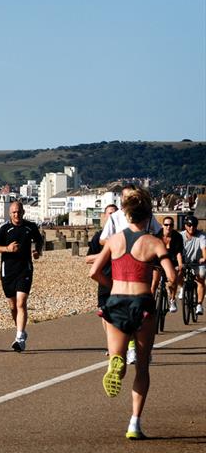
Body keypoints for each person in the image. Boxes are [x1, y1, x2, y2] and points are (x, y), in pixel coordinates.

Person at [89, 187, 175, 440]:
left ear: (127, 216)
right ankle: (134, 424)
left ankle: (115, 364)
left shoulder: (114, 240)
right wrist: (173, 285)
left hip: (116, 302)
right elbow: (170, 274)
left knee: (119, 357)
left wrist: (112, 287)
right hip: (142, 303)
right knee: (143, 365)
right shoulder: (154, 242)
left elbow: (94, 272)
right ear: (148, 216)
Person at [99, 185, 162, 364]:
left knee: (118, 308)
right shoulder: (116, 218)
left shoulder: (147, 219)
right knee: (142, 367)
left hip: (132, 263)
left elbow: (93, 271)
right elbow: (103, 239)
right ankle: (127, 352)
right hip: (123, 262)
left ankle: (119, 354)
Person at [0, 201, 44, 352]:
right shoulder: (4, 228)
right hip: (8, 271)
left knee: (21, 303)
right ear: (9, 214)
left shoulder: (30, 227)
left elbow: (39, 240)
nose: (16, 215)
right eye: (13, 212)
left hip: (25, 269)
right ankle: (21, 330)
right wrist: (7, 248)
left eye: (19, 212)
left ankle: (19, 338)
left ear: (23, 212)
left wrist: (37, 251)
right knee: (13, 306)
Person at [86, 204, 120, 318]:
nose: (113, 215)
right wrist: (104, 255)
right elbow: (88, 259)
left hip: (121, 280)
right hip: (105, 279)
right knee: (105, 315)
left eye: (115, 213)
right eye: (110, 213)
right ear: (105, 216)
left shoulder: (123, 235)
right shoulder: (99, 236)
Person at [156, 216, 184, 313]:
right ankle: (150, 303)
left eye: (171, 225)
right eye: (166, 224)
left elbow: (178, 253)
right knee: (154, 281)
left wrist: (180, 265)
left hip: (172, 261)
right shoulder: (157, 236)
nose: (168, 227)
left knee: (173, 279)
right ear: (162, 225)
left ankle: (172, 299)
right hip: (158, 261)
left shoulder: (177, 236)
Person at [180, 215, 206, 316]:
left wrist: (204, 258)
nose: (192, 227)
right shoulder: (180, 236)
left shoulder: (201, 236)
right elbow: (177, 250)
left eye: (194, 225)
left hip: (198, 262)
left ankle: (199, 304)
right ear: (185, 226)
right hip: (184, 262)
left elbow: (204, 249)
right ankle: (182, 287)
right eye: (189, 225)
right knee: (176, 273)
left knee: (201, 276)